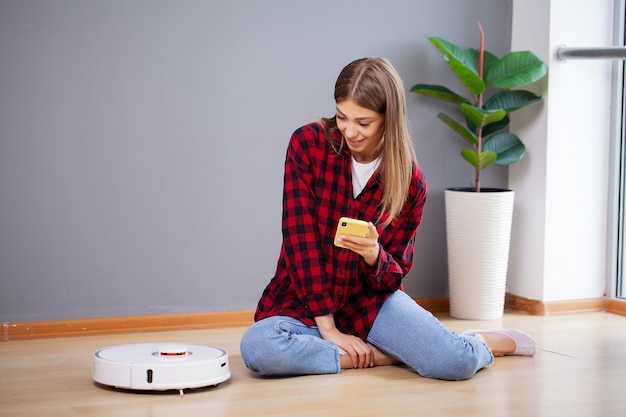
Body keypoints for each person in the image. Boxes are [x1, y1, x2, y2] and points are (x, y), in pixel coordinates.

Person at [239, 57, 535, 381]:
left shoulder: (410, 183)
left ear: (387, 119)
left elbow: (393, 276)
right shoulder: (308, 145)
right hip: (306, 302)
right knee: (259, 348)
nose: (349, 131)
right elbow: (300, 242)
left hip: (369, 304)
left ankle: (479, 342)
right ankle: (383, 355)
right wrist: (328, 328)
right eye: (342, 117)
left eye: (363, 122)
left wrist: (373, 255)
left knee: (455, 363)